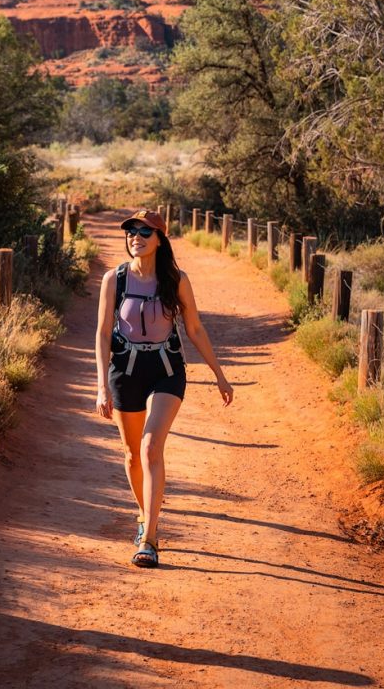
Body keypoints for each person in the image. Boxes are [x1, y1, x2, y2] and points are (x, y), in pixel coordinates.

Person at [94, 208, 233, 568]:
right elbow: (102, 333)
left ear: (160, 239)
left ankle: (150, 537)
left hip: (166, 369)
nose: (136, 237)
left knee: (151, 446)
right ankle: (146, 514)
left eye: (144, 232)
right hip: (124, 370)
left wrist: (219, 373)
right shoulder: (115, 279)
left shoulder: (176, 279)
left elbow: (195, 329)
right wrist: (100, 386)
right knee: (130, 453)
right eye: (131, 232)